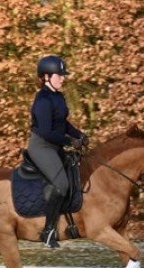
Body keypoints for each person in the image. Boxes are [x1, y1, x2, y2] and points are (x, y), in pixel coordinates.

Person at [27, 55, 88, 248]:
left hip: (56, 145)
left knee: (77, 173)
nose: (63, 78)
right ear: (46, 76)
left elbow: (63, 123)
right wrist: (70, 141)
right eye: (59, 75)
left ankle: (70, 223)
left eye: (63, 75)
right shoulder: (43, 100)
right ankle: (48, 231)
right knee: (61, 184)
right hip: (42, 146)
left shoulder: (58, 96)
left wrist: (79, 135)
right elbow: (46, 131)